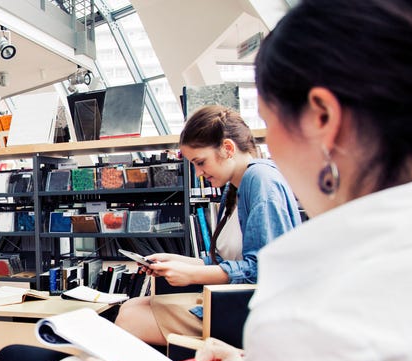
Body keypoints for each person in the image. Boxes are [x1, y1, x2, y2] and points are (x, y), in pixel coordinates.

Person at [0, 0, 412, 361]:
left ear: (323, 117)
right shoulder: (388, 271)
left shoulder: (313, 313)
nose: (272, 150)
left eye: (270, 123)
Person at [115, 105, 302, 345]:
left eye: (200, 162)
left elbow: (262, 271)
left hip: (256, 313)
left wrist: (192, 275)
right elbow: (229, 262)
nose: (199, 172)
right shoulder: (235, 187)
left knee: (130, 320)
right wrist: (175, 261)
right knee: (130, 307)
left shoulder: (260, 181)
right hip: (234, 301)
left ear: (228, 148)